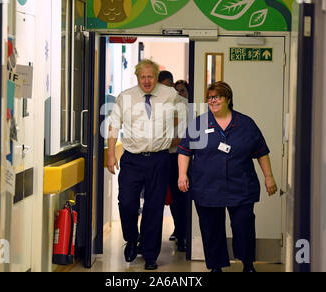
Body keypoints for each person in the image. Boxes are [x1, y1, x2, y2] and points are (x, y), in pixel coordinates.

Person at [177, 81, 278, 272]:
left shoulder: (246, 124)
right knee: (211, 228)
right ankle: (216, 266)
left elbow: (261, 151)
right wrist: (182, 174)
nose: (213, 101)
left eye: (217, 97)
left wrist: (269, 177)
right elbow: (184, 151)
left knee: (243, 226)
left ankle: (247, 264)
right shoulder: (199, 123)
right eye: (210, 98)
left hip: (241, 186)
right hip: (206, 186)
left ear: (228, 99)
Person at [107, 60, 185, 270]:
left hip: (160, 158)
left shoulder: (169, 95)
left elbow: (184, 114)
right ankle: (132, 238)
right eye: (143, 77)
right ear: (137, 77)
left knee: (154, 207)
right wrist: (111, 154)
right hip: (132, 158)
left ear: (156, 77)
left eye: (151, 76)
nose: (147, 81)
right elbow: (114, 125)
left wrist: (171, 131)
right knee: (127, 202)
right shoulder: (127, 96)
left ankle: (150, 255)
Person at [158, 72, 188, 252]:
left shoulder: (183, 105)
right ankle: (147, 241)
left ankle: (182, 235)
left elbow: (185, 138)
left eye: (169, 85)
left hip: (177, 157)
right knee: (154, 199)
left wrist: (161, 141)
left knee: (179, 199)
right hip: (158, 156)